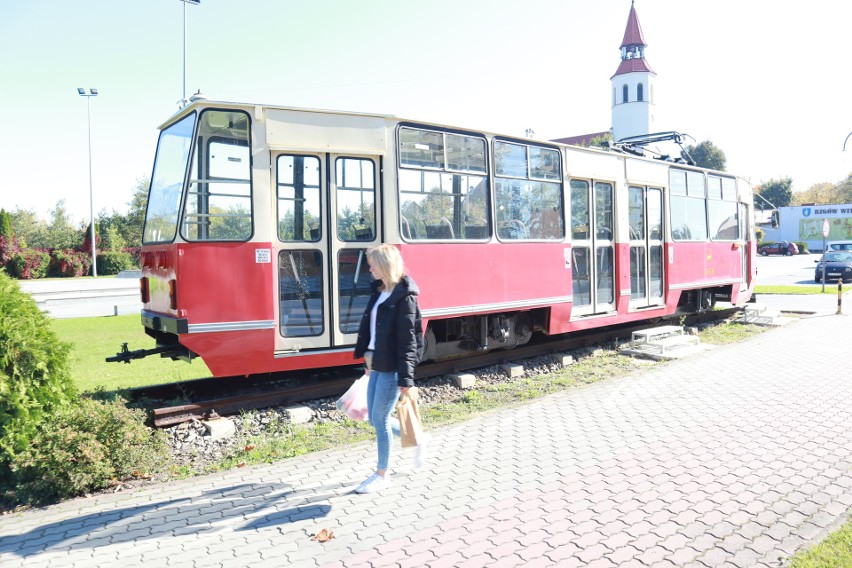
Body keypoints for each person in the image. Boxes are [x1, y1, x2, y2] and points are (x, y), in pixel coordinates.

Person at [352, 244, 427, 494]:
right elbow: (373, 331)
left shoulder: (404, 296)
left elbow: (409, 342)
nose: (369, 268)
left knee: (380, 419)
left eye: (373, 263)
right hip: (376, 361)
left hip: (392, 366)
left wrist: (406, 378)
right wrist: (367, 361)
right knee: (373, 418)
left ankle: (382, 474)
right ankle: (418, 439)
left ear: (385, 264)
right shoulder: (381, 290)